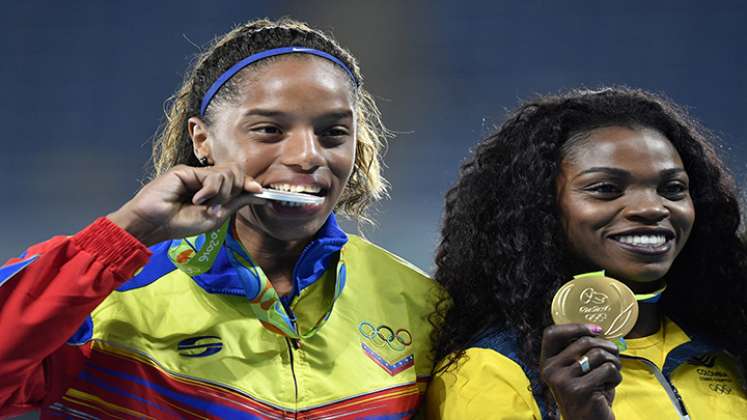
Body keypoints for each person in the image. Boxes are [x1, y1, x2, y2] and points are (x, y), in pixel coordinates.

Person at [0, 18, 436, 419]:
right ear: (202, 140)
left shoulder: (416, 303)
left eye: (333, 133)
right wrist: (127, 231)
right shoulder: (108, 297)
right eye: (269, 130)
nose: (308, 155)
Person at [426, 87, 747, 419]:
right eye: (606, 189)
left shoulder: (727, 350)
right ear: (542, 207)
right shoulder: (494, 370)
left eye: (673, 189)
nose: (652, 207)